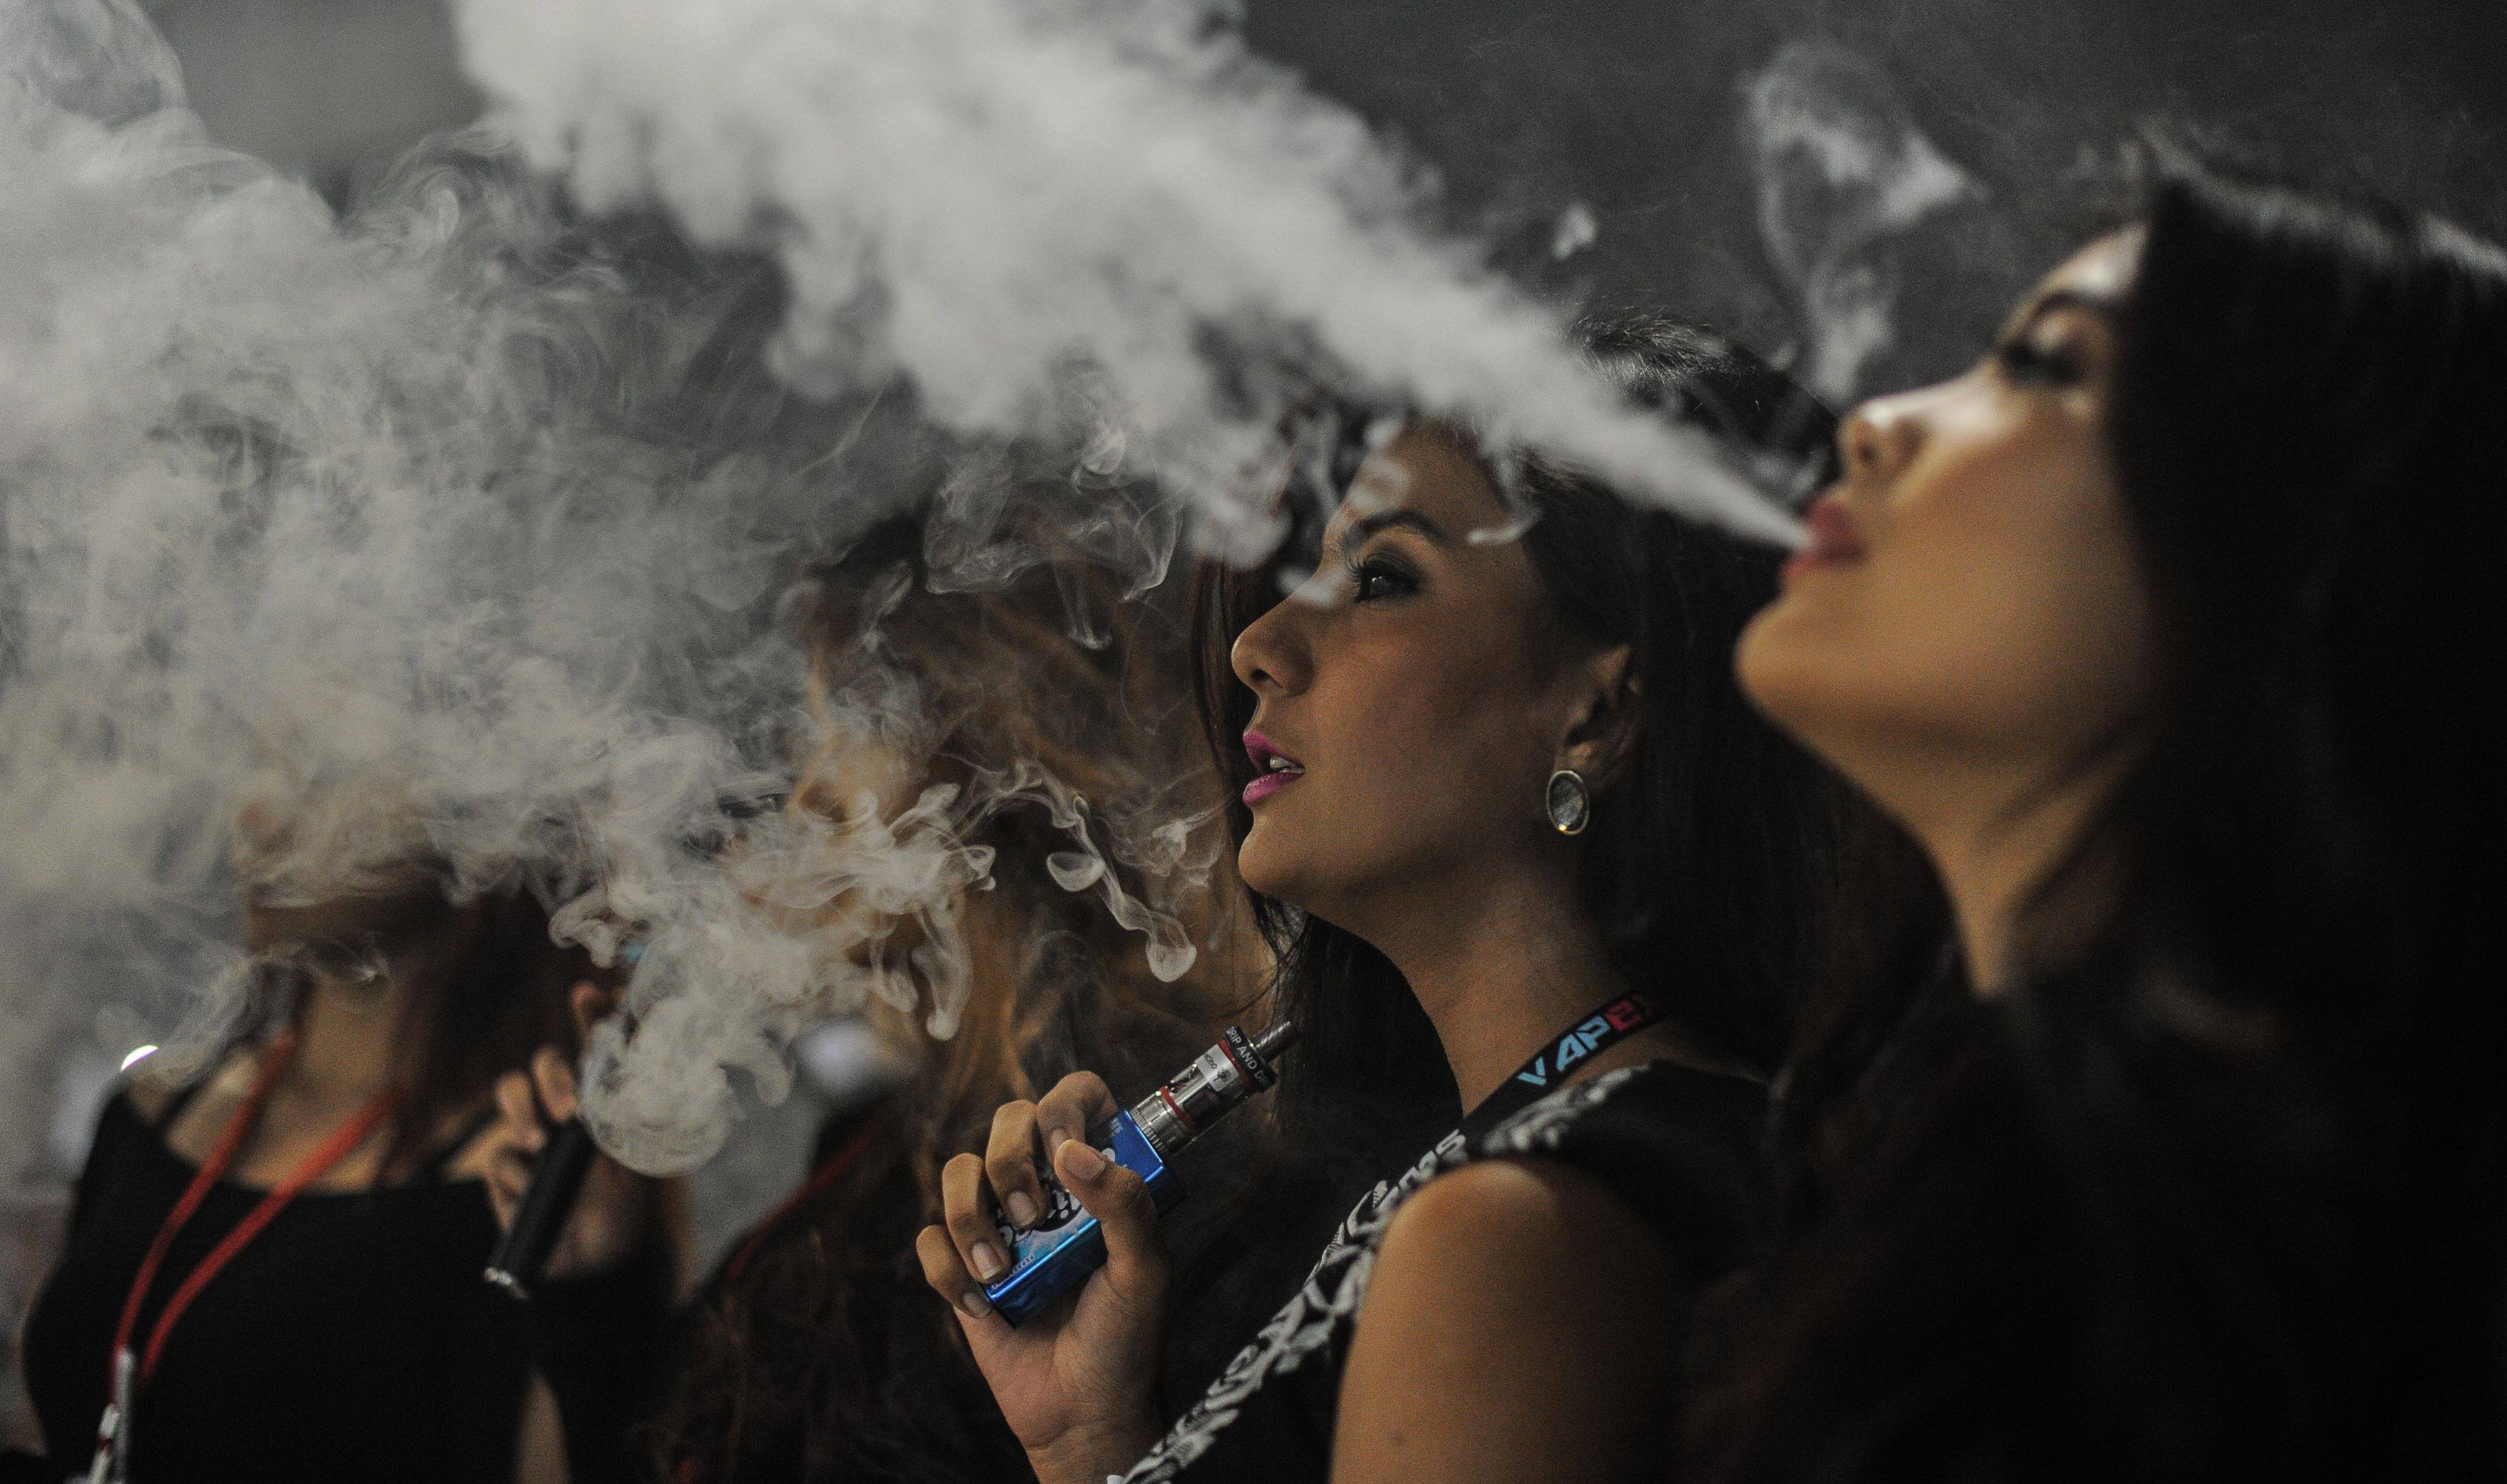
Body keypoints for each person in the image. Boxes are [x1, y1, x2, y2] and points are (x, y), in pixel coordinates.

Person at [1682, 150, 2507, 1480]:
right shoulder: (1997, 1165)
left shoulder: (2247, 1292)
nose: (1876, 419)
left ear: (2291, 559)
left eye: (2048, 369)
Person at [919, 319, 1851, 1484]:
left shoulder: (1523, 1231)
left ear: (1599, 715)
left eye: (1379, 577)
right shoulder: (1530, 1169)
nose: (1258, 644)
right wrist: (1091, 1438)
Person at [476, 508, 1315, 1484]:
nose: (805, 800)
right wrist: (599, 1280)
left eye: (847, 731)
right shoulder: (872, 1145)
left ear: (1005, 746)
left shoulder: (1128, 1156)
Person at [11, 804, 594, 1484]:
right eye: (269, 749)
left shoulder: (526, 1183)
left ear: (479, 812)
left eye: (323, 768)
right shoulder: (156, 1108)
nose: (259, 813)